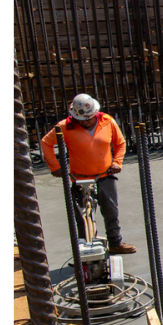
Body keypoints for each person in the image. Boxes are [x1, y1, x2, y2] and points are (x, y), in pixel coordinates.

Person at [39, 93, 137, 255]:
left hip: (105, 176)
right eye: (82, 120)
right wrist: (55, 167)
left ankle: (115, 242)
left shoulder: (107, 121)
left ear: (95, 113)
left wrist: (117, 162)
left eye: (89, 119)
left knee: (111, 211)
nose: (86, 122)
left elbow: (120, 143)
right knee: (82, 216)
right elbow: (45, 143)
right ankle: (84, 248)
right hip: (79, 179)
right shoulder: (65, 126)